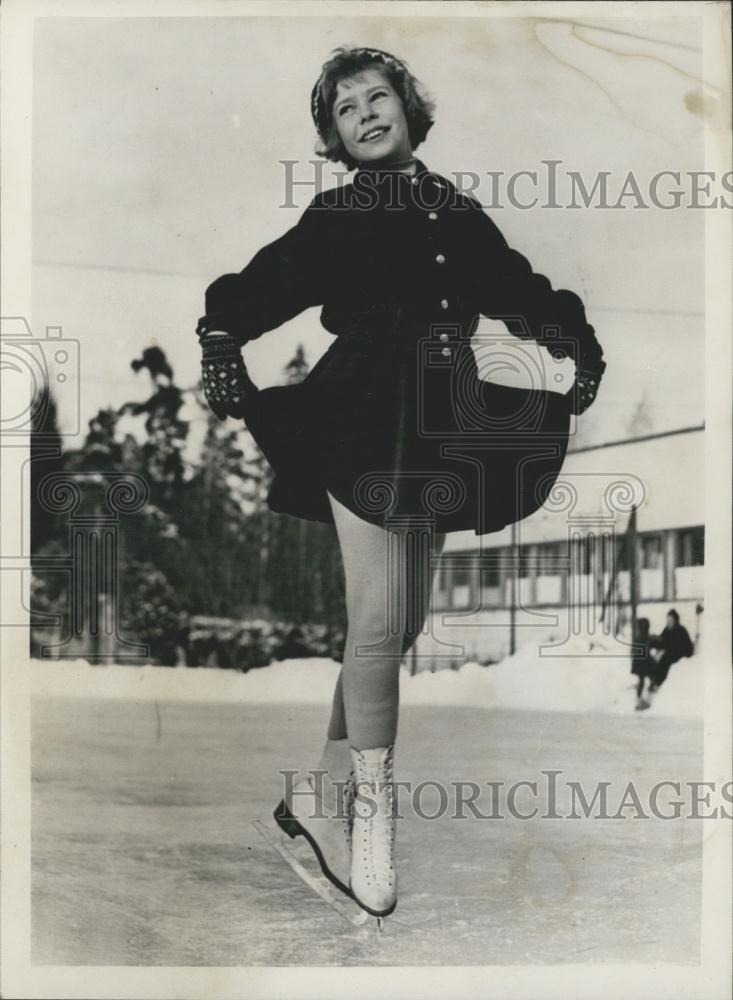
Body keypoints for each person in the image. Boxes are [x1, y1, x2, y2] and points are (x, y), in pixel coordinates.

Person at [195, 47, 605, 921]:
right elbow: (265, 284)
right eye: (345, 109)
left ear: (411, 112)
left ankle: (315, 795)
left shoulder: (454, 211)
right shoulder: (337, 215)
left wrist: (567, 334)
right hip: (359, 414)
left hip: (443, 421)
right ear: (335, 138)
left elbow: (511, 287)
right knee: (376, 620)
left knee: (402, 619)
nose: (366, 114)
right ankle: (367, 816)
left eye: (378, 97)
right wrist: (222, 337)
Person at [648, 608, 694, 695]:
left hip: (681, 655)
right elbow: (661, 641)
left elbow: (687, 647)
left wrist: (668, 649)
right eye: (667, 620)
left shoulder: (681, 630)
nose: (668, 622)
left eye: (670, 620)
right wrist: (652, 643)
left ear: (675, 620)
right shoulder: (667, 630)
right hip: (670, 654)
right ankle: (654, 681)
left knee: (665, 660)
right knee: (657, 660)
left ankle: (658, 684)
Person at [630, 617, 656, 710]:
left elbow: (634, 651)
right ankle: (643, 700)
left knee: (643, 681)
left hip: (640, 662)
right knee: (649, 680)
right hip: (643, 663)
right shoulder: (643, 638)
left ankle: (640, 700)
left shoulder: (639, 637)